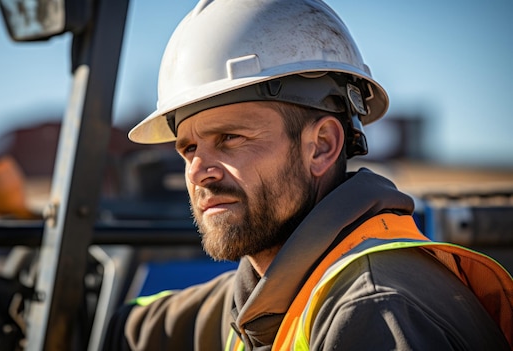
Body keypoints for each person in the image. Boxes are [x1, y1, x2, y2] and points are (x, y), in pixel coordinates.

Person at [103, 0, 513, 349]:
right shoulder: (274, 282)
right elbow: (156, 325)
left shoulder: (372, 309)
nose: (199, 172)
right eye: (189, 148)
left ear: (321, 147)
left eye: (230, 138)